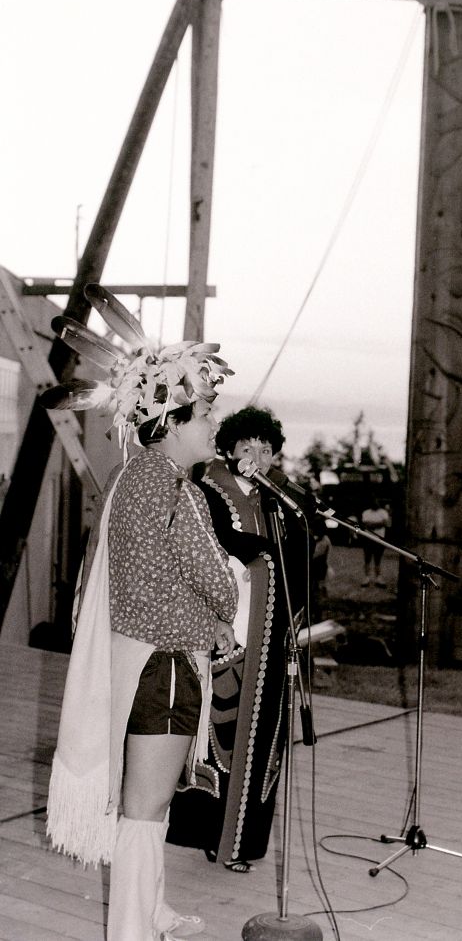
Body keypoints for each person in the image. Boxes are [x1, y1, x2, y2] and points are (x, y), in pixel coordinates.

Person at [44, 285, 238, 941]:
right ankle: (128, 930)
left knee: (148, 807)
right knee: (144, 809)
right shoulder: (171, 488)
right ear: (175, 419)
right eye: (207, 410)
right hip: (166, 667)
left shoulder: (141, 478)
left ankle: (149, 910)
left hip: (150, 661)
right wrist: (222, 600)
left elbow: (164, 581)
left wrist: (208, 605)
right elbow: (219, 584)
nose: (216, 423)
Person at [167, 406, 312, 873]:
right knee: (221, 736)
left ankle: (245, 842)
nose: (257, 455)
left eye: (266, 449)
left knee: (264, 741)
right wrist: (267, 555)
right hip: (228, 632)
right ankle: (208, 834)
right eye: (247, 446)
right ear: (228, 449)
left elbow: (303, 557)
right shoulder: (205, 492)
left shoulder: (279, 502)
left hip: (272, 638)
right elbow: (221, 544)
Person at [359, 496, 391, 587]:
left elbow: (385, 523)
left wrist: (372, 524)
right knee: (367, 559)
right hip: (368, 538)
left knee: (378, 559)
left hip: (379, 539)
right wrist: (378, 524)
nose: (375, 503)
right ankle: (366, 578)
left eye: (376, 501)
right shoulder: (366, 512)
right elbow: (366, 524)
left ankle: (378, 578)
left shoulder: (383, 512)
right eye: (373, 501)